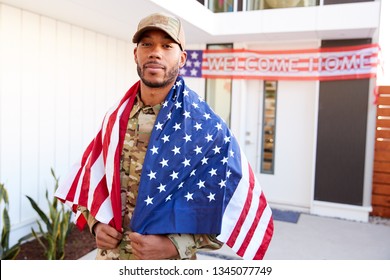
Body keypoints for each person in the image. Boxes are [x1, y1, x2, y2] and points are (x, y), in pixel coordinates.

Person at [55, 12, 273, 260]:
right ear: (135, 54)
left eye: (166, 46)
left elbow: (229, 205)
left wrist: (175, 246)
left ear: (181, 58)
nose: (154, 52)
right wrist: (95, 223)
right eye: (146, 44)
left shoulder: (207, 128)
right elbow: (93, 179)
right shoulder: (115, 118)